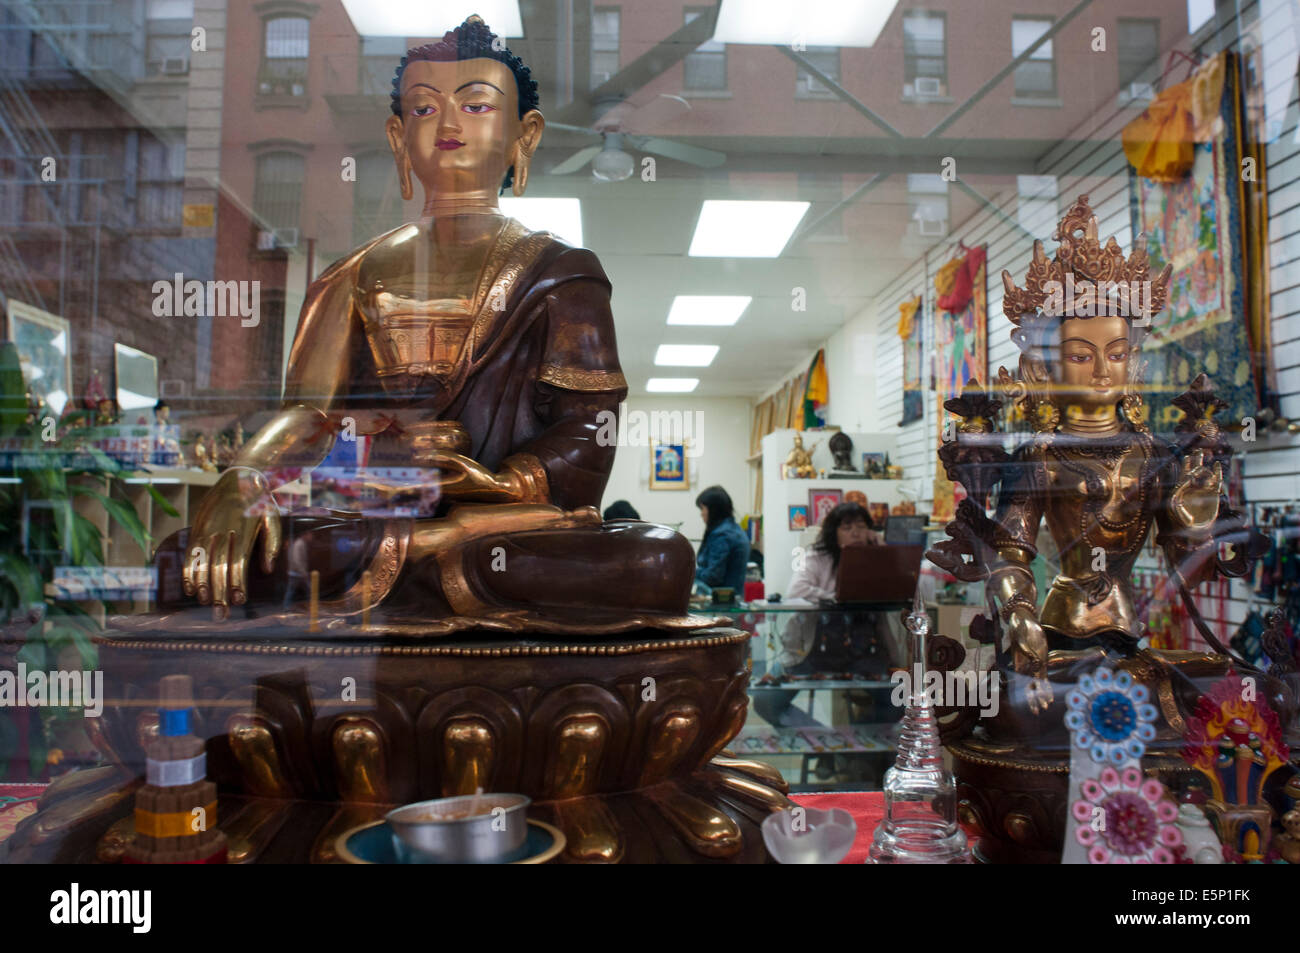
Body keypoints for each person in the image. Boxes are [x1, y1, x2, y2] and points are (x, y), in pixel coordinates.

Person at [787, 502, 882, 603]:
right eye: (847, 528)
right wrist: (834, 597)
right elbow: (795, 591)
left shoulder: (873, 555)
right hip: (823, 617)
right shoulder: (815, 556)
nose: (856, 534)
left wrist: (882, 551)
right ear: (834, 533)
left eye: (861, 526)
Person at [694, 485, 750, 594]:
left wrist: (687, 573)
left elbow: (713, 576)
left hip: (719, 603)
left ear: (713, 509)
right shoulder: (735, 530)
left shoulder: (722, 536)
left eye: (703, 508)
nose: (701, 514)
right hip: (733, 599)